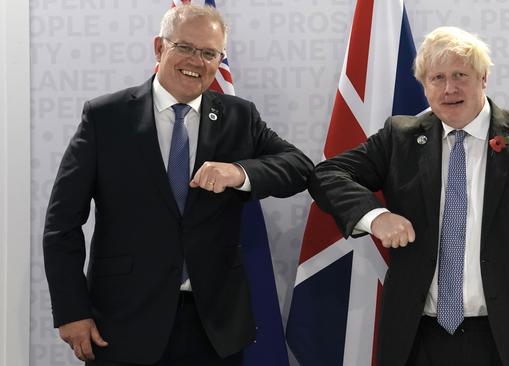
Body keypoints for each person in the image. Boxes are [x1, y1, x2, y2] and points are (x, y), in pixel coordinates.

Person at [42, 4, 313, 366]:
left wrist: (239, 172)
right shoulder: (105, 117)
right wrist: (71, 310)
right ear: (159, 48)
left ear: (219, 60)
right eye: (185, 47)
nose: (196, 61)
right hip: (122, 322)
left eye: (209, 53)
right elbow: (62, 224)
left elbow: (299, 167)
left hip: (215, 328)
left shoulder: (239, 116)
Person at [308, 26, 509, 366]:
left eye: (460, 75)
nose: (449, 89)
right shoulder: (401, 137)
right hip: (417, 338)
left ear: (483, 78)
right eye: (436, 77)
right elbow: (326, 175)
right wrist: (375, 217)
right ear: (424, 86)